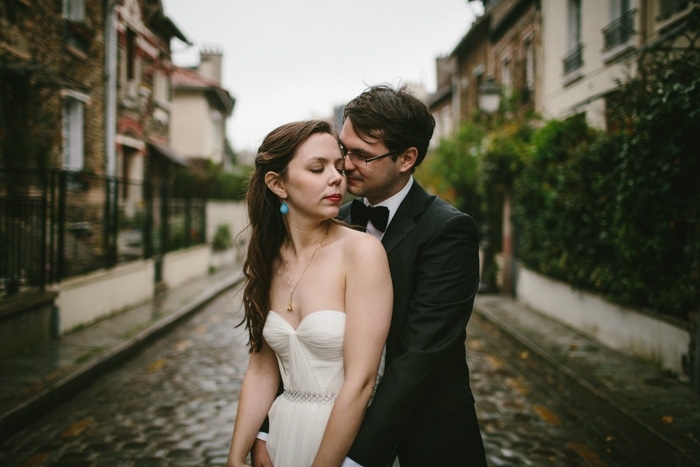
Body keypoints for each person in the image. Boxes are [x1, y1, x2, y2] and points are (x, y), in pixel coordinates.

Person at [251, 85, 487, 466]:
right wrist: (266, 428)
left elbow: (418, 358)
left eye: (361, 155)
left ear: (407, 158)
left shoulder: (448, 231)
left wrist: (354, 459)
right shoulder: (333, 219)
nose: (344, 164)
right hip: (325, 430)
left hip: (425, 440)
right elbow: (293, 338)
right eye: (344, 149)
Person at [226, 120, 393, 467]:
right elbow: (261, 369)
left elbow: (361, 382)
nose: (336, 177)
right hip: (282, 439)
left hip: (339, 443)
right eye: (318, 168)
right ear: (278, 184)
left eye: (337, 166)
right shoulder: (268, 259)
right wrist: (235, 455)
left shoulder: (362, 253)